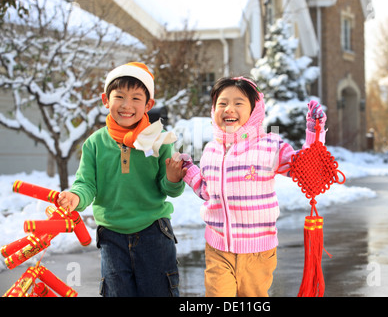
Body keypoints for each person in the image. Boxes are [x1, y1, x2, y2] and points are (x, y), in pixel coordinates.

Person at [178, 76, 326, 297]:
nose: (229, 109)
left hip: (258, 249)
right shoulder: (211, 150)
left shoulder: (270, 146)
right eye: (222, 103)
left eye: (239, 103)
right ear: (213, 109)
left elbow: (306, 167)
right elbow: (207, 190)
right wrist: (189, 170)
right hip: (218, 247)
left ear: (254, 110)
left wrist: (314, 131)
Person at [57, 62, 186, 297]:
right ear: (106, 100)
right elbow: (86, 183)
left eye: (136, 98)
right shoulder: (94, 143)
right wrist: (76, 197)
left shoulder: (159, 140)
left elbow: (169, 189)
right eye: (120, 97)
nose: (127, 105)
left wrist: (174, 178)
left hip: (154, 232)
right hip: (111, 236)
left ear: (148, 104)